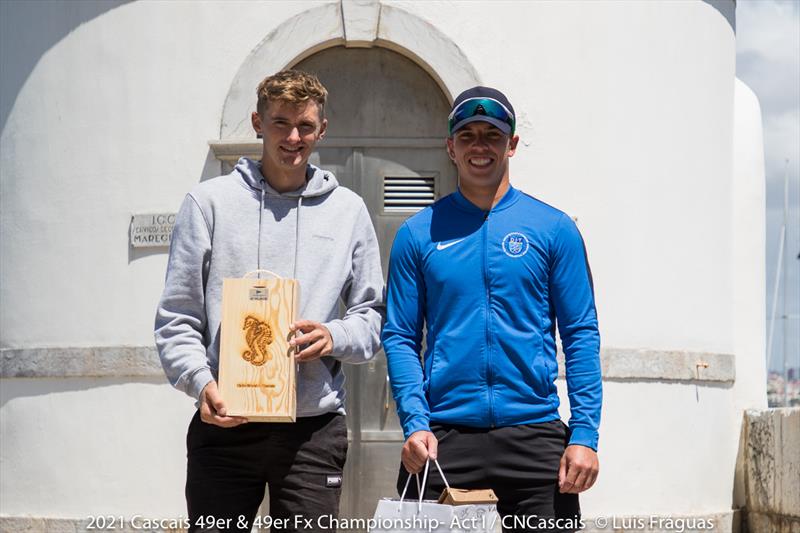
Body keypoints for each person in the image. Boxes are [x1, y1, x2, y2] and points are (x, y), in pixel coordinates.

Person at [155, 69, 384, 533]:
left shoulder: (348, 211)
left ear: (322, 130)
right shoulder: (207, 204)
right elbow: (177, 318)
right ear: (258, 123)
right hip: (225, 424)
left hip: (312, 429)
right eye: (280, 123)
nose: (293, 137)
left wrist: (333, 334)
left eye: (305, 126)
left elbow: (373, 317)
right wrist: (202, 383)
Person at [382, 86, 601, 532]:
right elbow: (400, 336)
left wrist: (584, 435)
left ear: (512, 144)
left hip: (535, 436)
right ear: (450, 147)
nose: (479, 146)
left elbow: (580, 334)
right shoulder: (417, 234)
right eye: (467, 136)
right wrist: (414, 422)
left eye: (492, 135)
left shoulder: (554, 230)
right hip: (443, 437)